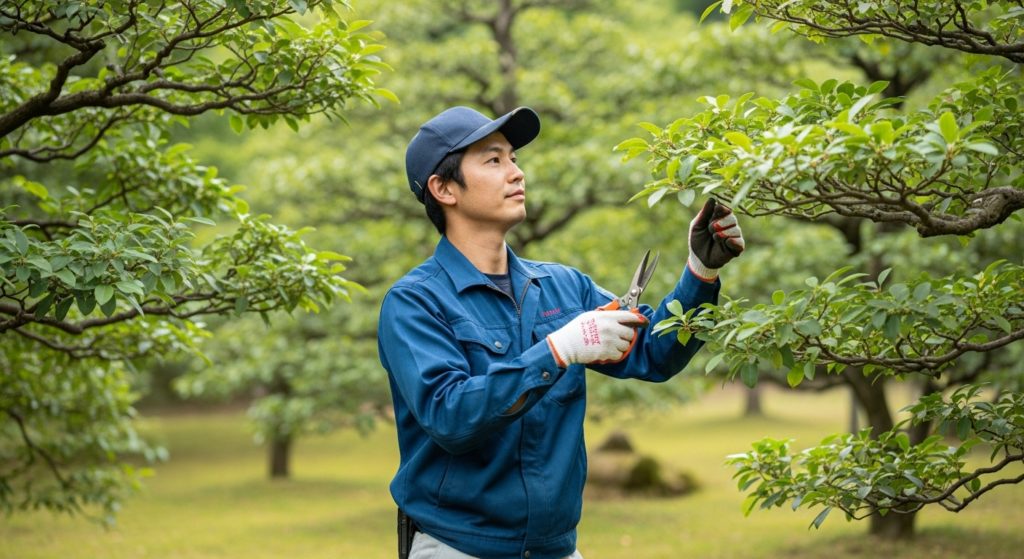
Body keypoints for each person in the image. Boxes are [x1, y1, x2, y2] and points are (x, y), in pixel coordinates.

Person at [377, 106, 744, 559]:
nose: (516, 172)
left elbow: (653, 353)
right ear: (444, 188)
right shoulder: (415, 302)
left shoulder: (563, 286)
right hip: (458, 547)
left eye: (514, 159)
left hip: (557, 549)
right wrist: (557, 350)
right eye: (494, 160)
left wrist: (701, 272)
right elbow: (450, 416)